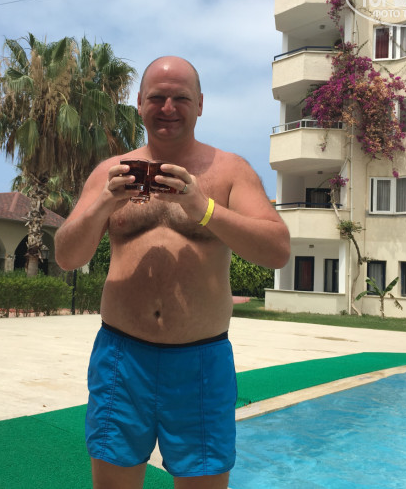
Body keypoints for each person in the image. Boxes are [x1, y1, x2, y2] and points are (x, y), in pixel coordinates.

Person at [54, 56, 290, 489]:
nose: (168, 108)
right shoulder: (110, 173)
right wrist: (105, 203)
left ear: (200, 104)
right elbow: (67, 256)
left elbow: (277, 250)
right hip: (122, 359)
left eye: (180, 98)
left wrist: (204, 209)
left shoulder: (230, 171)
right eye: (157, 98)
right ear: (139, 103)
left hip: (201, 363)